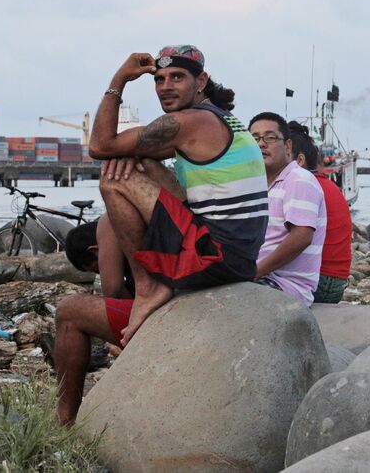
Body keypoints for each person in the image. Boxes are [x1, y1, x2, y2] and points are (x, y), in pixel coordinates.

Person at [53, 45, 267, 426]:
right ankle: (153, 283)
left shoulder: (191, 122)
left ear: (201, 81)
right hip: (234, 257)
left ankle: (148, 287)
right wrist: (140, 162)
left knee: (111, 178)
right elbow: (182, 193)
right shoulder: (221, 120)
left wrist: (119, 79)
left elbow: (100, 146)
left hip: (212, 258)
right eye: (159, 79)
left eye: (177, 77)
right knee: (137, 160)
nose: (165, 86)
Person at [250, 112, 326, 305]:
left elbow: (301, 236)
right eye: (255, 138)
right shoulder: (257, 184)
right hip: (261, 278)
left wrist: (254, 272)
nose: (261, 144)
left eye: (270, 137)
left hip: (284, 286)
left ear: (288, 146)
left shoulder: (299, 180)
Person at [300, 121, 353, 303]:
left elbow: (297, 239)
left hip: (321, 279)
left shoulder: (304, 186)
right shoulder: (326, 184)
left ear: (299, 159)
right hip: (335, 279)